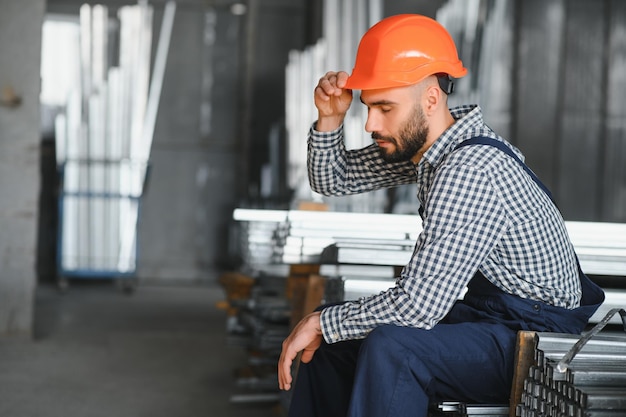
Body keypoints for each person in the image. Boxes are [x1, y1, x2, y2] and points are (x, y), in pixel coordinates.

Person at [277, 14, 604, 417]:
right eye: (368, 107)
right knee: (332, 349)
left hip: (534, 341)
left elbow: (417, 307)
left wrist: (322, 320)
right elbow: (334, 178)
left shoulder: (469, 168)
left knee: (393, 349)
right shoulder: (432, 147)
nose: (371, 123)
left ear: (430, 99)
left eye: (384, 107)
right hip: (492, 319)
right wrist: (330, 118)